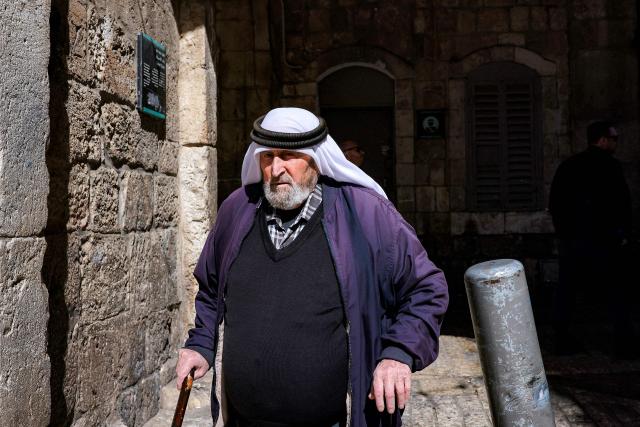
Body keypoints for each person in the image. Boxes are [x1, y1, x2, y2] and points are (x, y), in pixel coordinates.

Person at [176, 107, 449, 426]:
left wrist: (398, 354)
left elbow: (426, 290)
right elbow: (210, 288)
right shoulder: (237, 210)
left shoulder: (366, 215)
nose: (276, 168)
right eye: (267, 157)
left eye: (288, 156)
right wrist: (201, 343)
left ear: (316, 158)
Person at [549, 121, 633, 356]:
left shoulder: (569, 166)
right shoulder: (611, 167)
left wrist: (565, 234)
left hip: (573, 240)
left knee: (567, 289)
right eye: (613, 138)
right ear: (603, 140)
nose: (616, 143)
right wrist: (622, 234)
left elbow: (555, 203)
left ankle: (562, 339)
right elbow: (622, 204)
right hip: (604, 241)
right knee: (618, 290)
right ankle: (623, 343)